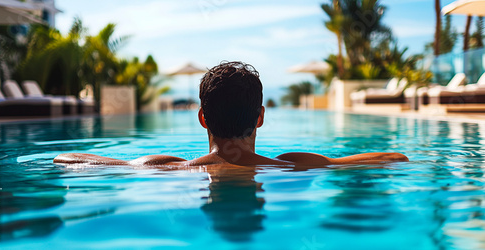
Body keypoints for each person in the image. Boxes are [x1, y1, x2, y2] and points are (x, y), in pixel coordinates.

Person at [54, 61, 408, 167]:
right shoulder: (289, 164)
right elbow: (392, 156)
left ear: (202, 117)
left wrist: (147, 163)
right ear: (261, 117)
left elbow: (66, 157)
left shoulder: (171, 167)